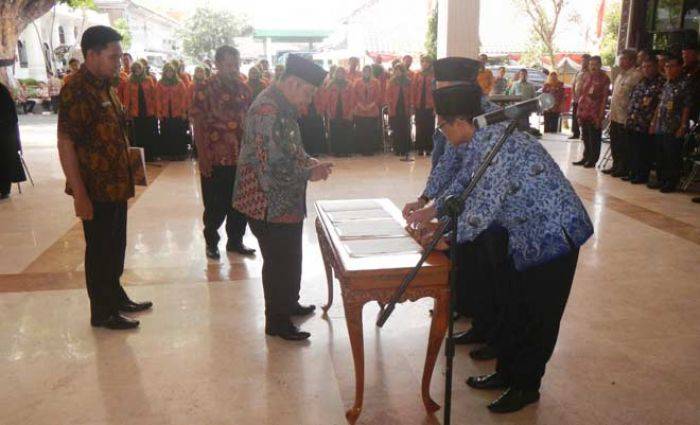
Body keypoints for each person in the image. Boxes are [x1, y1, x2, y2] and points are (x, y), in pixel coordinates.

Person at [409, 84, 593, 413]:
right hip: (524, 234)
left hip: (554, 234)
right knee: (514, 306)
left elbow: (482, 208)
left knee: (538, 314)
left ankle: (526, 386)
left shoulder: (496, 142)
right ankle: (506, 372)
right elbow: (465, 184)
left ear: (459, 122)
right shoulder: (481, 140)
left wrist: (443, 236)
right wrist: (432, 212)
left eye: (441, 125)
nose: (441, 132)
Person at [57, 25, 152, 330]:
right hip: (95, 189)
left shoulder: (105, 85)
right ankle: (102, 311)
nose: (118, 63)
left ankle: (115, 295)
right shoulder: (76, 89)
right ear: (92, 54)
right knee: (99, 250)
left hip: (116, 184)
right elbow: (66, 143)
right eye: (113, 57)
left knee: (115, 246)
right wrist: (81, 195)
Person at [232, 54, 333, 341]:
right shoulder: (267, 110)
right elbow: (272, 164)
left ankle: (288, 303)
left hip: (284, 198)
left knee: (290, 255)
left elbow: (290, 148)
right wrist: (308, 173)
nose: (310, 100)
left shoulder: (283, 105)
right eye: (309, 92)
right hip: (266, 201)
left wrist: (309, 162)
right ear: (291, 82)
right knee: (278, 260)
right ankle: (276, 321)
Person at [189, 46, 256, 259]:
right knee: (215, 205)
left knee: (240, 203)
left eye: (236, 64)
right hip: (215, 158)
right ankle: (211, 242)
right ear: (217, 64)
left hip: (242, 157)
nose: (233, 69)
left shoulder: (245, 89)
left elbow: (250, 122)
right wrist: (203, 157)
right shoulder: (204, 89)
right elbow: (198, 125)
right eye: (228, 65)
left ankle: (235, 241)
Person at [648, 55, 692, 193]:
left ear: (679, 67)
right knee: (660, 154)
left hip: (674, 126)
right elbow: (660, 105)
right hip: (661, 124)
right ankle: (661, 179)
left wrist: (683, 126)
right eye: (666, 66)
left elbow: (687, 107)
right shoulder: (667, 84)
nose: (668, 69)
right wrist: (654, 122)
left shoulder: (685, 84)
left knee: (672, 155)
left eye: (671, 66)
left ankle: (671, 181)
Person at [604, 50, 643, 178]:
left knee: (624, 145)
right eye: (620, 59)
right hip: (615, 115)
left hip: (625, 116)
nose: (621, 61)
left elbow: (635, 97)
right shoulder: (620, 75)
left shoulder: (636, 75)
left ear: (632, 61)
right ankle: (616, 165)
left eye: (624, 59)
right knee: (615, 142)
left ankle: (624, 168)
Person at [626, 55, 664, 184]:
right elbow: (633, 100)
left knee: (645, 151)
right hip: (634, 121)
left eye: (649, 67)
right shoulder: (641, 82)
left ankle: (642, 175)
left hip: (647, 123)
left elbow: (659, 105)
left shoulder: (661, 83)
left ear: (656, 67)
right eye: (644, 67)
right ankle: (633, 172)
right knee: (633, 149)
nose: (646, 69)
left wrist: (653, 122)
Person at [573, 56, 610, 168]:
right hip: (584, 110)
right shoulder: (586, 76)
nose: (592, 67)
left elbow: (604, 98)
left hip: (595, 112)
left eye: (595, 64)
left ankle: (592, 159)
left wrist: (601, 114)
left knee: (594, 137)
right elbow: (582, 94)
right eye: (591, 64)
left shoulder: (604, 79)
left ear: (600, 65)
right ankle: (585, 157)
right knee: (585, 136)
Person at [123, 61, 159, 162]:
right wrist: (126, 110)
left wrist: (156, 109)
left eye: (139, 68)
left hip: (149, 110)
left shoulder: (148, 79)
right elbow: (127, 97)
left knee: (150, 133)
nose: (137, 70)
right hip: (136, 111)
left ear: (142, 69)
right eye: (135, 69)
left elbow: (154, 95)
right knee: (139, 134)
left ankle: (151, 155)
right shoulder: (129, 81)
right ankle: (141, 157)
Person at [156, 62, 190, 160]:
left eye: (171, 71)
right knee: (166, 132)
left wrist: (184, 111)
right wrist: (159, 112)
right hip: (165, 112)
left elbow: (184, 98)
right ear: (164, 72)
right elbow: (158, 98)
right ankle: (167, 154)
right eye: (167, 71)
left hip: (177, 112)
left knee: (178, 132)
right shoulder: (160, 83)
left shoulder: (179, 83)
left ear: (174, 72)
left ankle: (180, 153)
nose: (169, 73)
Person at [1, 80, 27, 199]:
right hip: (6, 131)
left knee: (4, 159)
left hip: (5, 133)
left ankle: (4, 189)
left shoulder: (2, 91)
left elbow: (10, 115)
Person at [325, 67, 355, 156]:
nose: (340, 74)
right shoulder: (330, 84)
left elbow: (353, 99)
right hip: (334, 110)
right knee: (335, 131)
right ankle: (337, 151)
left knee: (347, 131)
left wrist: (351, 111)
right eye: (338, 73)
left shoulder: (349, 84)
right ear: (335, 74)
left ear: (344, 74)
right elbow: (327, 99)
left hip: (346, 110)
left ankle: (347, 151)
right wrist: (328, 111)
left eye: (342, 73)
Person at [353, 65, 382, 155]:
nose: (366, 73)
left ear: (371, 72)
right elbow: (354, 95)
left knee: (371, 131)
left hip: (372, 111)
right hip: (359, 110)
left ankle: (370, 150)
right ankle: (361, 150)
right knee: (361, 131)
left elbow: (378, 95)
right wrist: (359, 105)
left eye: (368, 71)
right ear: (362, 72)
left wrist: (371, 105)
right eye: (365, 71)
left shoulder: (376, 82)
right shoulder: (357, 82)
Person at [387, 63, 413, 160]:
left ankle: (405, 149)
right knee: (396, 129)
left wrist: (411, 106)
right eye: (396, 70)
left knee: (405, 128)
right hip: (395, 108)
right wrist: (390, 107)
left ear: (403, 71)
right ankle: (397, 149)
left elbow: (411, 95)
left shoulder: (408, 81)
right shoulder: (391, 82)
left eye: (399, 70)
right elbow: (388, 95)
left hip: (405, 107)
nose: (397, 72)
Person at [412, 55, 436, 155]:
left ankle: (429, 148)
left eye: (427, 62)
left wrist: (435, 107)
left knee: (429, 127)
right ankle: (420, 148)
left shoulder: (434, 75)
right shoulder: (417, 74)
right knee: (419, 126)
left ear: (430, 63)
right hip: (419, 104)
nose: (425, 63)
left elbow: (436, 91)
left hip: (430, 105)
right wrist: (413, 104)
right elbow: (413, 90)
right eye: (423, 62)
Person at [299, 82, 327, 156]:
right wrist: (301, 109)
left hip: (316, 111)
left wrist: (321, 109)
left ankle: (317, 150)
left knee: (317, 131)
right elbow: (299, 100)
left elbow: (323, 99)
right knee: (305, 132)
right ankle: (307, 151)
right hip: (305, 111)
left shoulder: (320, 87)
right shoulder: (301, 86)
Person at [569, 54, 591, 140]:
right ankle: (575, 133)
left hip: (586, 100)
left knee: (584, 117)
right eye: (582, 61)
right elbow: (573, 84)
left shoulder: (590, 73)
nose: (583, 63)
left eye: (586, 61)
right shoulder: (578, 72)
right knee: (575, 116)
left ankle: (585, 135)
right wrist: (573, 95)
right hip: (576, 98)